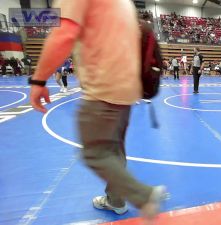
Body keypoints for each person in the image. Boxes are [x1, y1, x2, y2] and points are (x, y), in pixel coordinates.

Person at [28, 0, 165, 222]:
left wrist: (38, 79)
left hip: (103, 87)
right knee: (114, 151)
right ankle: (115, 200)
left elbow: (64, 34)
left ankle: (144, 196)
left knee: (95, 153)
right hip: (127, 90)